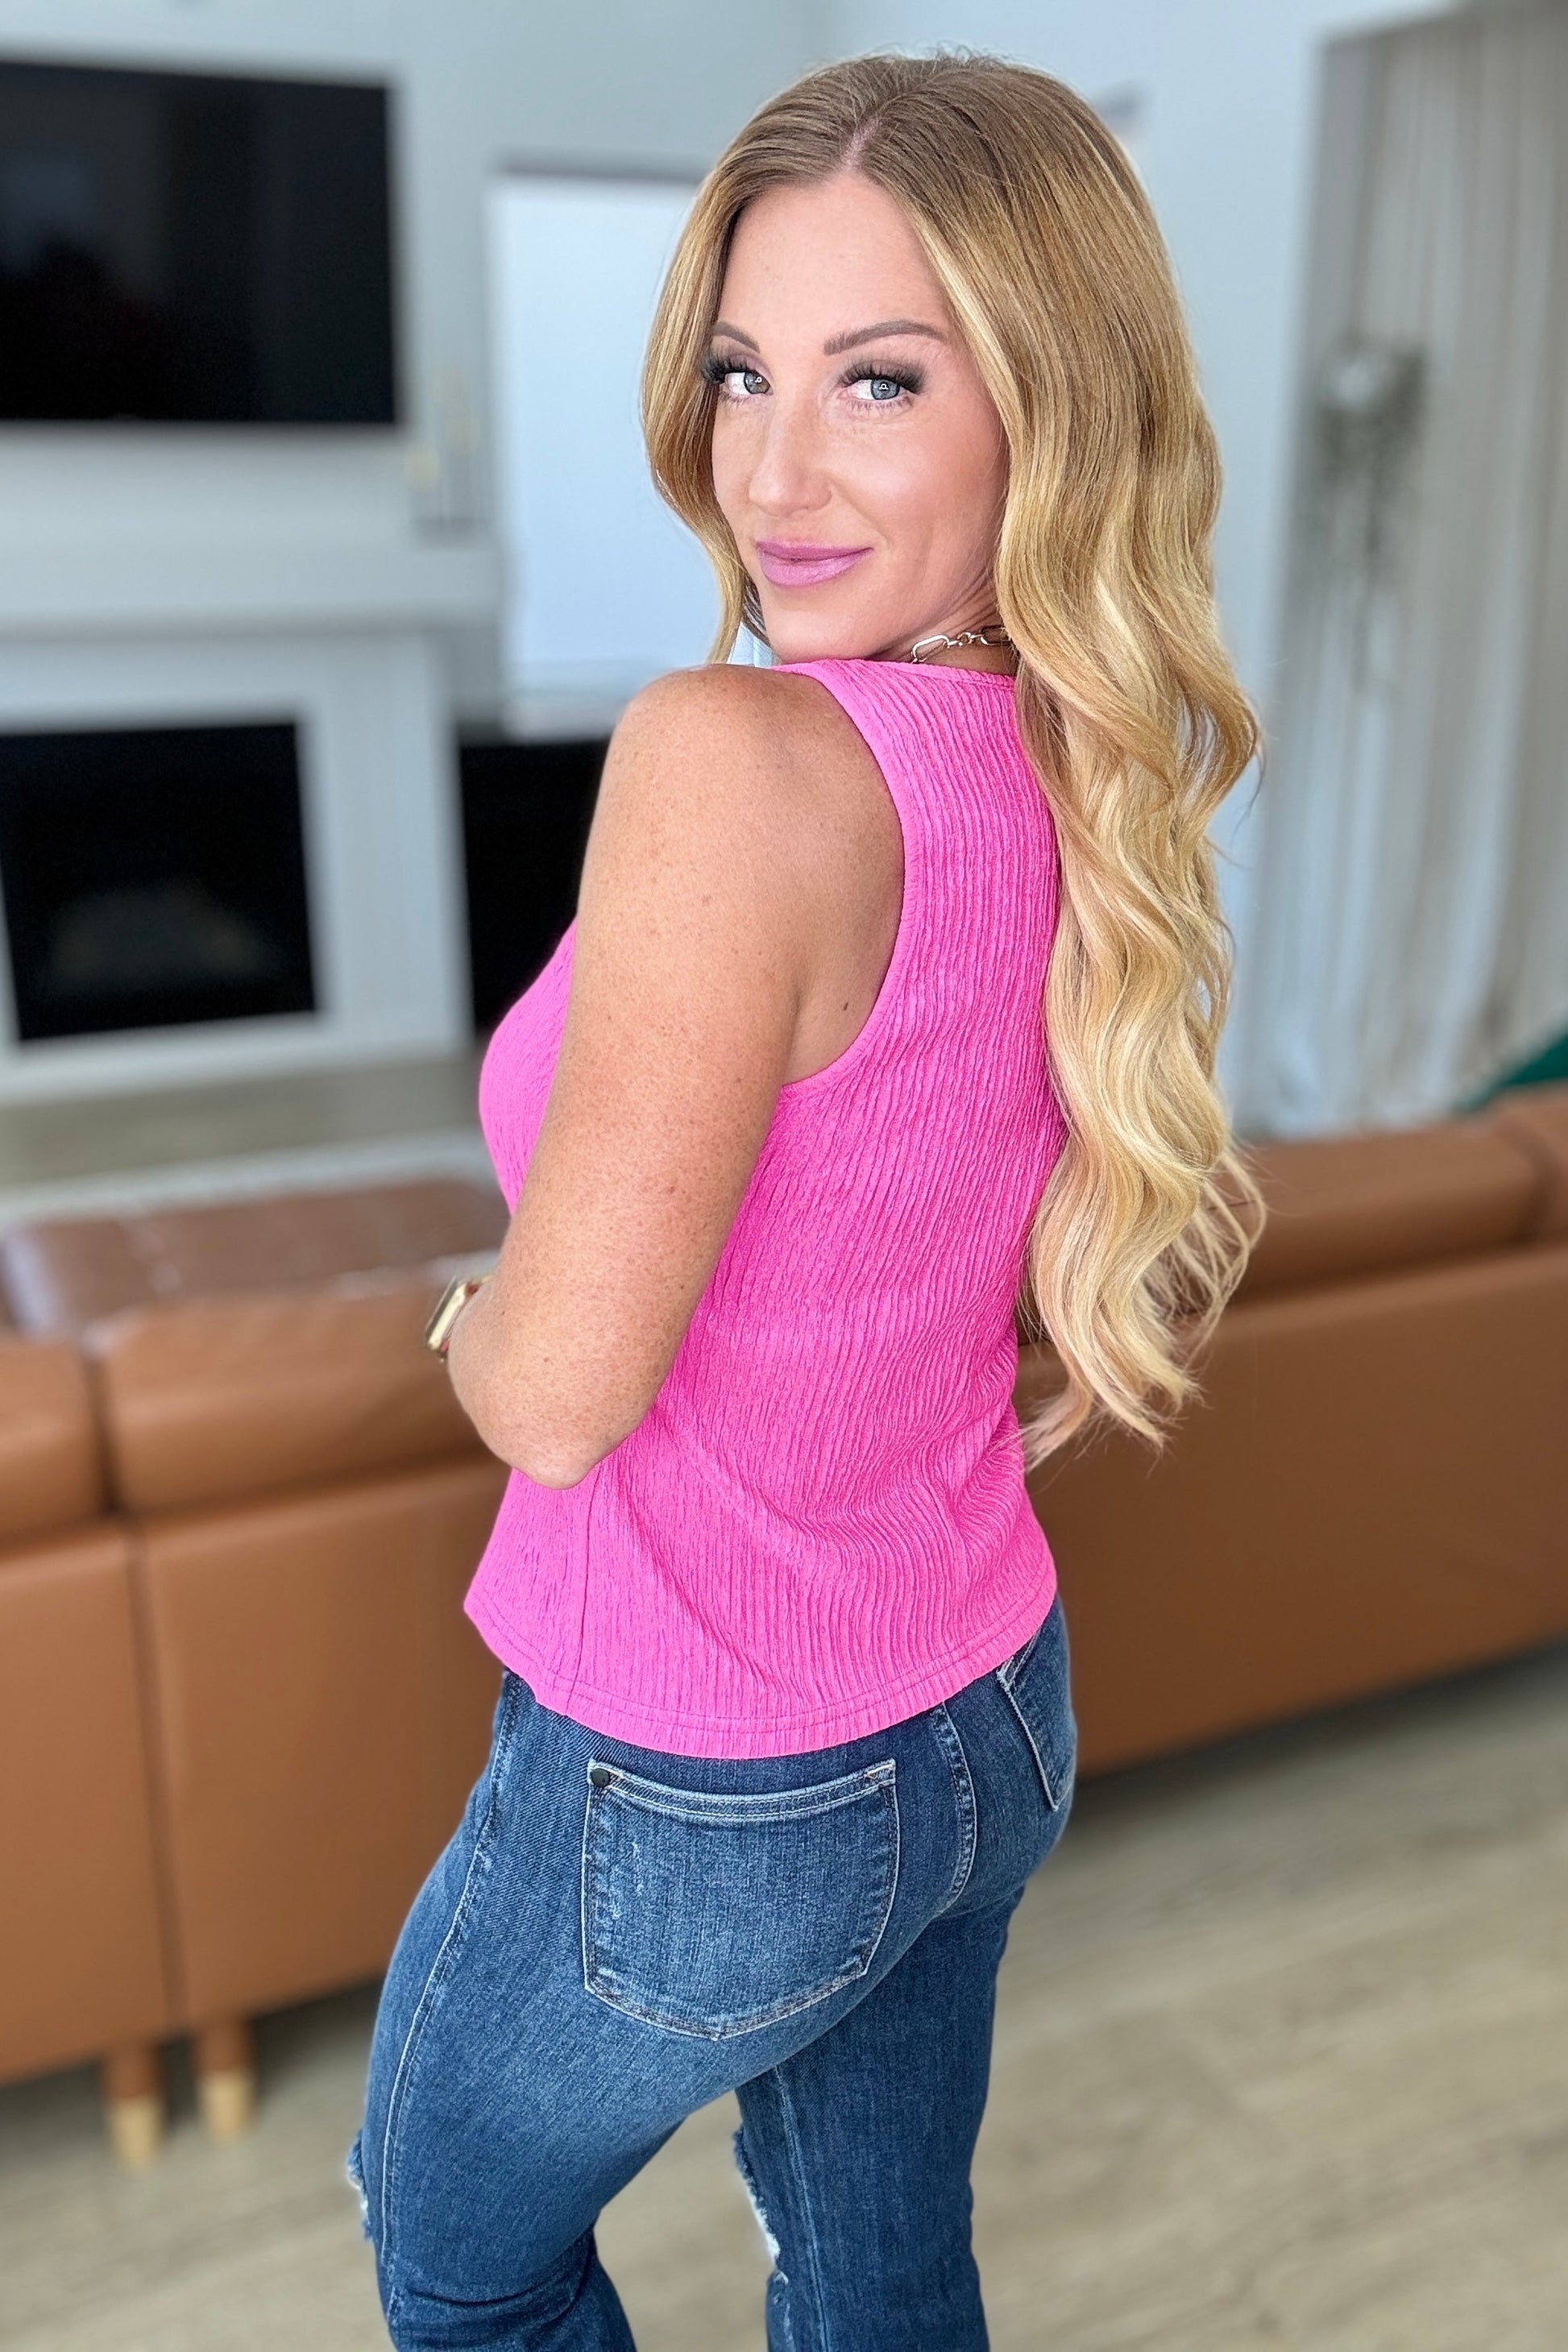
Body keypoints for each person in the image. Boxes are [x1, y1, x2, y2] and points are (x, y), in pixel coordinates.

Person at [348, 50, 1260, 2352]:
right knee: (880, 2279)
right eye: (743, 373)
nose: (769, 471)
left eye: (879, 380)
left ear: (1051, 407)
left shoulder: (730, 759)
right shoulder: (1082, 759)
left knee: (453, 2259)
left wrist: (468, 1310)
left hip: (700, 1782)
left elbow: (556, 1394)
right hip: (984, 1711)